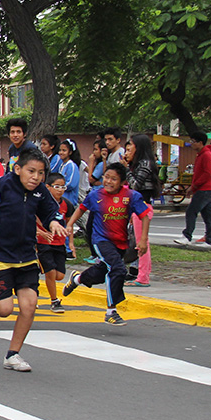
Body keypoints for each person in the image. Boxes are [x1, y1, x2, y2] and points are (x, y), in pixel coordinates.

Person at [0, 148, 66, 372]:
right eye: (31, 171)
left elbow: (51, 211)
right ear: (18, 169)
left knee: (29, 305)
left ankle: (13, 354)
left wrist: (54, 222)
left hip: (26, 257)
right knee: (4, 309)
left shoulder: (39, 190)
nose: (35, 177)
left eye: (40, 173)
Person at [63, 162, 153, 325]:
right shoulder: (95, 195)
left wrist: (143, 240)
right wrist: (70, 225)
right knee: (118, 269)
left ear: (122, 182)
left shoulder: (131, 196)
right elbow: (81, 208)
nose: (109, 182)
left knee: (102, 272)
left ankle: (77, 279)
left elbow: (144, 216)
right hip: (101, 240)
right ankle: (111, 311)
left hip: (120, 242)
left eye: (114, 179)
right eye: (106, 177)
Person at [124, 133, 160, 287]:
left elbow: (136, 185)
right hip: (139, 206)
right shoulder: (141, 163)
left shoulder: (144, 164)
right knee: (142, 242)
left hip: (142, 206)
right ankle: (143, 274)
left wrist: (126, 169)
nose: (128, 149)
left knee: (142, 243)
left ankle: (143, 277)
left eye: (131, 146)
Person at [177, 132, 211, 247]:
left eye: (193, 141)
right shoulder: (201, 154)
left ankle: (187, 236)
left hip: (205, 189)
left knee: (191, 211)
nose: (191, 144)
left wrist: (194, 186)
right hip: (206, 189)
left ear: (200, 143)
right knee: (208, 215)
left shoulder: (206, 155)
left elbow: (207, 173)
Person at [38, 172, 70, 312]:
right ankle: (54, 300)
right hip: (43, 242)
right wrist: (40, 232)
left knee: (59, 275)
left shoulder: (67, 204)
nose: (60, 190)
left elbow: (69, 223)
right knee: (50, 272)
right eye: (57, 186)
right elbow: (32, 218)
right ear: (48, 187)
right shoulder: (39, 203)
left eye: (63, 187)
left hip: (59, 243)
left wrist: (71, 243)